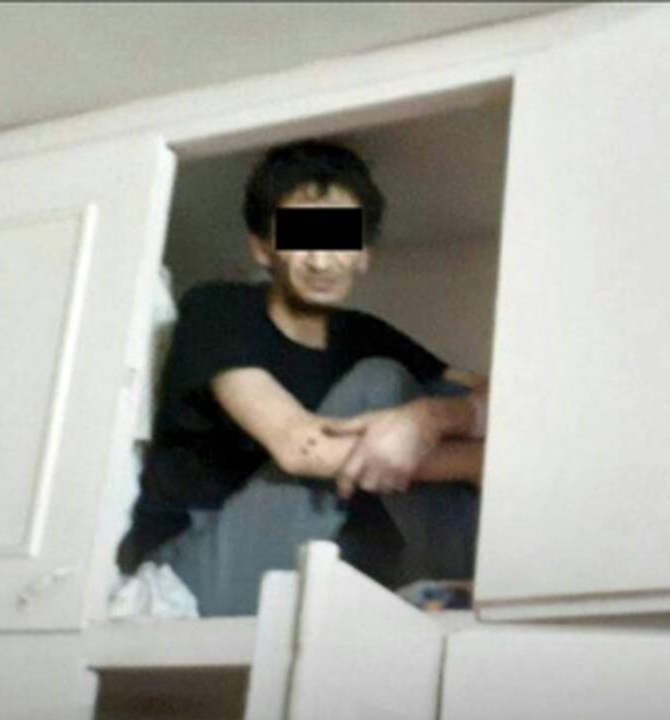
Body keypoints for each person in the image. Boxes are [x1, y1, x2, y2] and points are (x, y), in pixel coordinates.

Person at [116, 139, 488, 616]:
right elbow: (301, 448)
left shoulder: (365, 334)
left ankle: (451, 593)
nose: (321, 259)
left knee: (443, 401)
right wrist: (477, 464)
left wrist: (429, 417)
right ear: (262, 248)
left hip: (315, 559)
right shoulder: (221, 309)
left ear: (363, 253)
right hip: (198, 567)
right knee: (381, 381)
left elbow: (491, 394)